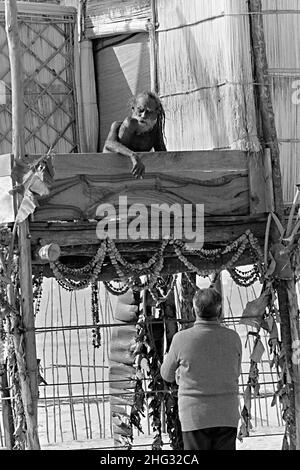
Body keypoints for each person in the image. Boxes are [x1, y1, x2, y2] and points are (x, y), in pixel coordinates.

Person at [160, 287, 242, 450]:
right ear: (219, 310)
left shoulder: (180, 339)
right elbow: (236, 372)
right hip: (227, 413)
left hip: (194, 415)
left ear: (194, 309)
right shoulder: (233, 337)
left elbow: (166, 375)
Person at [103, 91, 166, 179]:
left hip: (136, 175)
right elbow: (109, 144)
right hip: (111, 171)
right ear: (133, 109)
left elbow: (163, 155)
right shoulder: (118, 126)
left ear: (156, 114)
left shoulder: (154, 131)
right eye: (140, 110)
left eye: (149, 112)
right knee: (130, 123)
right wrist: (132, 155)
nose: (143, 116)